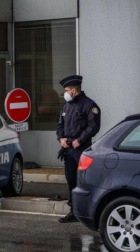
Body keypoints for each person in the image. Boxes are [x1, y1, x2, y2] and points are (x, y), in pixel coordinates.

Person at [56, 75, 101, 223]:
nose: (65, 93)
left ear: (74, 90)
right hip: (68, 150)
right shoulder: (66, 105)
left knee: (84, 181)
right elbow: (60, 125)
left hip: (81, 149)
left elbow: (93, 126)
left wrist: (79, 141)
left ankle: (88, 211)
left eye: (67, 90)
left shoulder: (89, 105)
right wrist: (61, 139)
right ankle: (74, 212)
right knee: (71, 180)